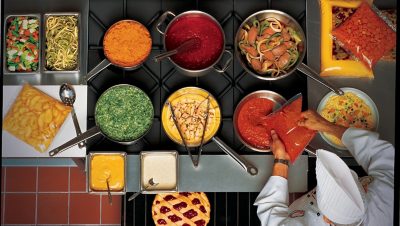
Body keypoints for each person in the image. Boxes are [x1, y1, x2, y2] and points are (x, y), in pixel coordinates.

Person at [254, 110, 394, 226]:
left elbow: (269, 210)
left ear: (327, 220)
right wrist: (326, 126)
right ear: (365, 188)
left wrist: (281, 160)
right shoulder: (387, 199)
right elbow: (382, 154)